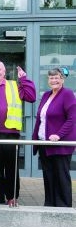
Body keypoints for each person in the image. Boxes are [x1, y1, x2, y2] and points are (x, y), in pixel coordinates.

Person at [0, 61, 36, 206]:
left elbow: (31, 97)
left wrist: (24, 80)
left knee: (11, 168)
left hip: (10, 133)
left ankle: (12, 196)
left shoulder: (14, 85)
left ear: (4, 71)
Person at [32, 68, 75, 208]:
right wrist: (35, 139)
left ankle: (64, 209)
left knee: (61, 178)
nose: (54, 80)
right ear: (48, 80)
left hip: (60, 145)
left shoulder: (67, 94)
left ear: (62, 79)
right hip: (45, 144)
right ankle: (49, 205)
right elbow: (40, 119)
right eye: (51, 78)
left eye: (57, 78)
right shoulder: (46, 95)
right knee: (48, 177)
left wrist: (59, 134)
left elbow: (72, 119)